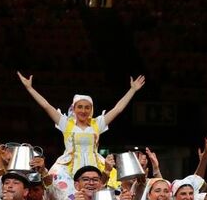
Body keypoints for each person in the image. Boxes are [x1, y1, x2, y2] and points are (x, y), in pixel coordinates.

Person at [16, 71, 145, 185]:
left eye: (87, 107)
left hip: (95, 166)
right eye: (80, 107)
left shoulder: (97, 124)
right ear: (74, 108)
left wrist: (132, 90)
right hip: (67, 168)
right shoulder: (66, 123)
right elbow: (46, 106)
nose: (83, 110)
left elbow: (117, 109)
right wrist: (30, 88)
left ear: (91, 110)